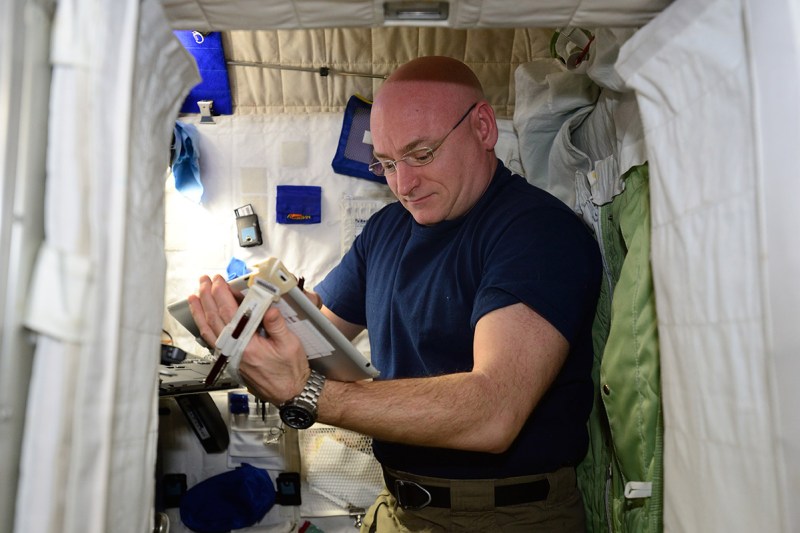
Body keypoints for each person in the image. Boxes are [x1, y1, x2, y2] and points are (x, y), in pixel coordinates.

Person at [188, 56, 602, 532]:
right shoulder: (387, 229)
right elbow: (317, 334)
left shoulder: (535, 232)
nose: (403, 184)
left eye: (421, 154)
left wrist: (308, 394)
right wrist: (255, 325)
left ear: (484, 127)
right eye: (386, 163)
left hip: (506, 516)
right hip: (399, 506)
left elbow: (493, 412)